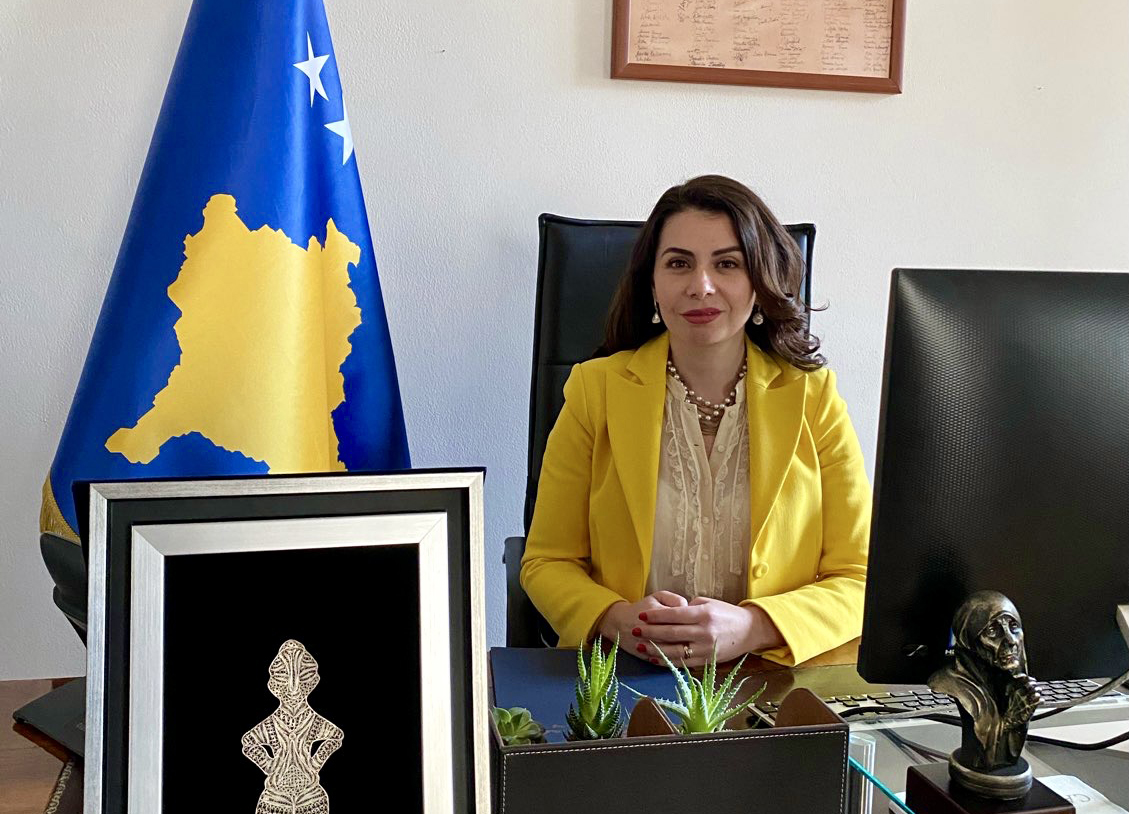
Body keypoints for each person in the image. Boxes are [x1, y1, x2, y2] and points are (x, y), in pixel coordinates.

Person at [520, 175, 871, 667]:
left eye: (727, 263)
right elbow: (546, 562)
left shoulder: (814, 397)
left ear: (759, 282)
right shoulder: (594, 390)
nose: (700, 285)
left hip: (774, 676)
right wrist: (617, 620)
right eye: (679, 263)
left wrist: (754, 627)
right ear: (652, 283)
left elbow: (860, 576)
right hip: (628, 671)